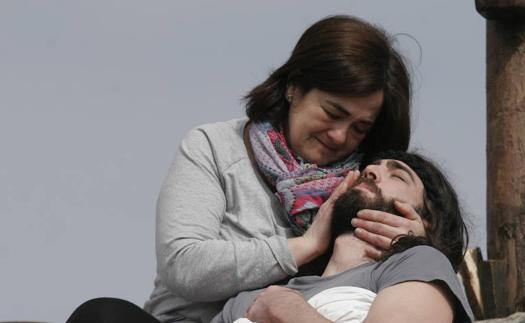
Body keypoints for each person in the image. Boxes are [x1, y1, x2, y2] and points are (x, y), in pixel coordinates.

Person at [66, 15, 427, 323]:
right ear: (293, 87)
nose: (339, 135)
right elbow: (183, 265)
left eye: (359, 128)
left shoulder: (368, 185)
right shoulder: (213, 146)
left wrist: (413, 243)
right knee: (102, 315)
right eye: (333, 113)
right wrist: (304, 246)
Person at [212, 151, 473, 323]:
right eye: (369, 168)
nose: (370, 171)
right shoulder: (248, 299)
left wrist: (286, 309)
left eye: (397, 176)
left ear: (426, 219)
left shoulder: (421, 264)